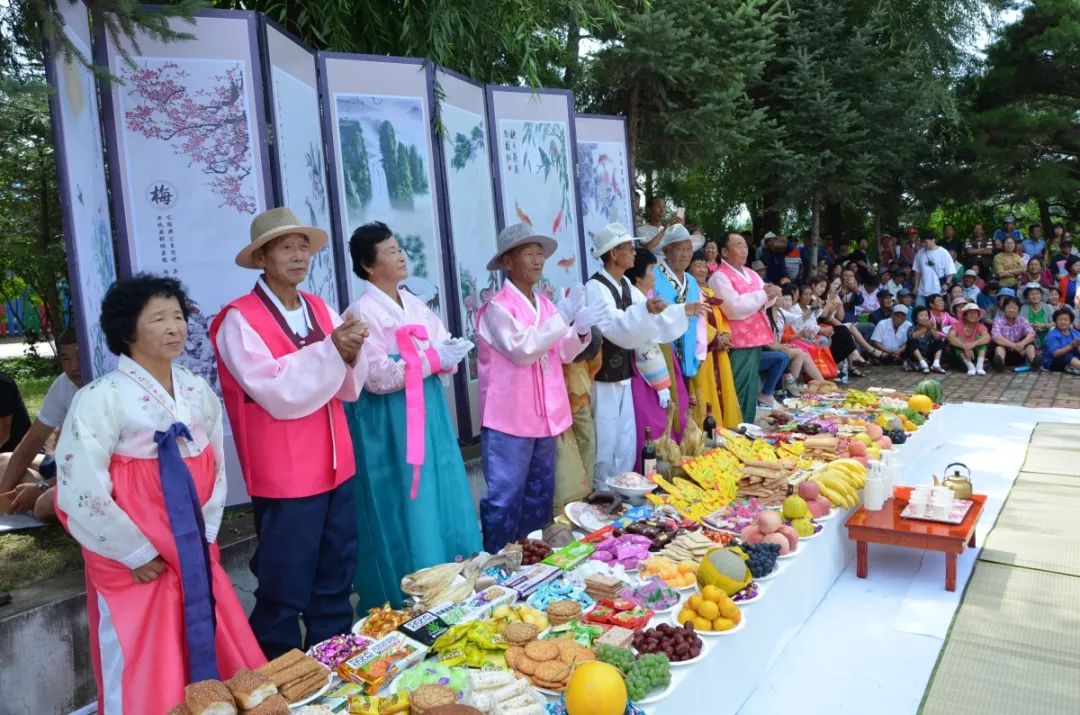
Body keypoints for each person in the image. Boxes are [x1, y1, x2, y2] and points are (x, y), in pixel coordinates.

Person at [55, 275, 263, 713]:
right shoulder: (100, 398)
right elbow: (80, 488)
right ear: (128, 331)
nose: (175, 328)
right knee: (142, 648)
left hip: (190, 542)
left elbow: (217, 463)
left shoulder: (195, 389)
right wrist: (133, 552)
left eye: (178, 317)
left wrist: (205, 531)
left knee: (207, 628)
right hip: (136, 554)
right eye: (158, 319)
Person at [211, 207, 369, 658]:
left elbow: (347, 385)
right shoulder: (238, 319)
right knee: (286, 582)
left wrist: (354, 349)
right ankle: (280, 675)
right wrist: (333, 350)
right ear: (261, 257)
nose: (299, 255)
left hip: (336, 463)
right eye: (286, 247)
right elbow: (275, 389)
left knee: (337, 572)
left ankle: (335, 662)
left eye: (304, 246)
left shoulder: (319, 307)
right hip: (285, 473)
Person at [343, 222, 483, 609]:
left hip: (429, 412)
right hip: (390, 422)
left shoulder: (413, 302)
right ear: (368, 266)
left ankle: (451, 579)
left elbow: (439, 345)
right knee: (405, 498)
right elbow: (375, 376)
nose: (400, 255)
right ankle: (412, 590)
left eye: (399, 247)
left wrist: (448, 352)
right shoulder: (361, 312)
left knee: (440, 488)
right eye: (389, 251)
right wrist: (432, 357)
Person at [475, 223, 602, 552]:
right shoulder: (497, 308)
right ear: (507, 261)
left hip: (544, 417)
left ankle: (532, 562)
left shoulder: (544, 305)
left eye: (540, 254)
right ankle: (499, 564)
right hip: (510, 420)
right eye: (528, 253)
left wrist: (581, 332)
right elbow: (523, 349)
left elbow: (561, 352)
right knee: (505, 498)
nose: (537, 260)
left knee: (540, 496)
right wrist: (563, 317)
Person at [585, 223, 687, 487]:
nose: (632, 252)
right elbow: (615, 326)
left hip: (624, 372)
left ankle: (621, 486)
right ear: (613, 254)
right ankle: (602, 489)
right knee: (605, 435)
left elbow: (651, 316)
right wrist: (646, 312)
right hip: (604, 373)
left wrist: (682, 310)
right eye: (627, 248)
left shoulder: (626, 285)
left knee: (625, 435)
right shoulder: (596, 287)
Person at [0, 328, 82, 520]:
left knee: (42, 507)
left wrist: (42, 487)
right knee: (3, 461)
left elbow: (100, 466)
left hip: (92, 474)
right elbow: (32, 441)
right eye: (66, 359)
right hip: (63, 466)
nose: (74, 367)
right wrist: (2, 497)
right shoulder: (64, 384)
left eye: (79, 356)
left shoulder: (107, 388)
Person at [625, 248, 693, 466]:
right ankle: (652, 461)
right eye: (651, 269)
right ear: (638, 276)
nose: (655, 274)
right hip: (646, 362)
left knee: (670, 407)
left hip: (660, 355)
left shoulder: (646, 296)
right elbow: (654, 326)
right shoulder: (636, 299)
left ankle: (668, 456)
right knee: (651, 412)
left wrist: (683, 310)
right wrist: (684, 310)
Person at [709, 233, 780, 423]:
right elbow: (733, 308)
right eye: (738, 245)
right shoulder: (719, 276)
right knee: (737, 383)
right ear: (724, 252)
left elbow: (762, 299)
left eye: (745, 246)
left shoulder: (751, 273)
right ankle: (734, 425)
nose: (744, 249)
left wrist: (770, 294)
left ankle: (747, 423)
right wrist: (763, 295)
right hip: (737, 339)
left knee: (750, 385)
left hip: (755, 337)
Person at [688, 250, 742, 423]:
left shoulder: (710, 293)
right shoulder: (689, 292)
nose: (703, 269)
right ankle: (707, 430)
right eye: (697, 265)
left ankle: (725, 426)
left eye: (704, 265)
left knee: (724, 388)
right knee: (705, 388)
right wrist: (714, 337)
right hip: (703, 351)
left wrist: (725, 335)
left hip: (718, 351)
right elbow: (694, 323)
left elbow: (722, 317)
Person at [991, 295, 1036, 372]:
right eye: (1009, 307)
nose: (1011, 310)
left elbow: (1032, 334)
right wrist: (1015, 346)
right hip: (1006, 352)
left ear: (1018, 310)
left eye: (1014, 308)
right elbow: (996, 337)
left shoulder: (1022, 320)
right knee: (999, 346)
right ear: (1004, 309)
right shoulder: (998, 320)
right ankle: (1000, 364)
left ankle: (1034, 362)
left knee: (1030, 343)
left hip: (1020, 353)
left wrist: (1022, 344)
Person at [912, 229, 956, 306]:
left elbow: (950, 271)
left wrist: (947, 284)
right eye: (922, 242)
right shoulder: (920, 253)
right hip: (922, 290)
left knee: (934, 314)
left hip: (937, 290)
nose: (924, 245)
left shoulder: (943, 253)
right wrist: (916, 286)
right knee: (919, 312)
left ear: (933, 240)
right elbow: (917, 271)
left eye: (926, 242)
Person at [948, 303, 991, 375]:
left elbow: (987, 338)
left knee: (980, 339)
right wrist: (965, 346)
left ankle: (979, 366)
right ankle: (969, 366)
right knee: (957, 340)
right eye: (970, 313)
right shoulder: (956, 325)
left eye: (975, 313)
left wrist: (971, 345)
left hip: (974, 354)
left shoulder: (980, 326)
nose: (973, 315)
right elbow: (951, 338)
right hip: (959, 357)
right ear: (965, 315)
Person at [906, 306, 948, 374]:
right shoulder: (911, 328)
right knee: (911, 342)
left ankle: (936, 364)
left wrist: (931, 328)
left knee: (939, 341)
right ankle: (923, 364)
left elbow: (937, 337)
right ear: (916, 319)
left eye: (926, 315)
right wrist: (926, 328)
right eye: (921, 315)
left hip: (927, 352)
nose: (924, 318)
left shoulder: (930, 327)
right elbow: (913, 336)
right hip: (915, 356)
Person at [1042, 308, 1080, 374]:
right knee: (1066, 356)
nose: (1063, 322)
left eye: (1066, 320)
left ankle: (1073, 367)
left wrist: (1078, 347)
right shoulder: (1052, 334)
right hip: (1054, 361)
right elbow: (1055, 354)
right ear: (1055, 321)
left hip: (1074, 358)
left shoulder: (1075, 332)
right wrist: (1071, 346)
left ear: (1070, 321)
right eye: (1060, 320)